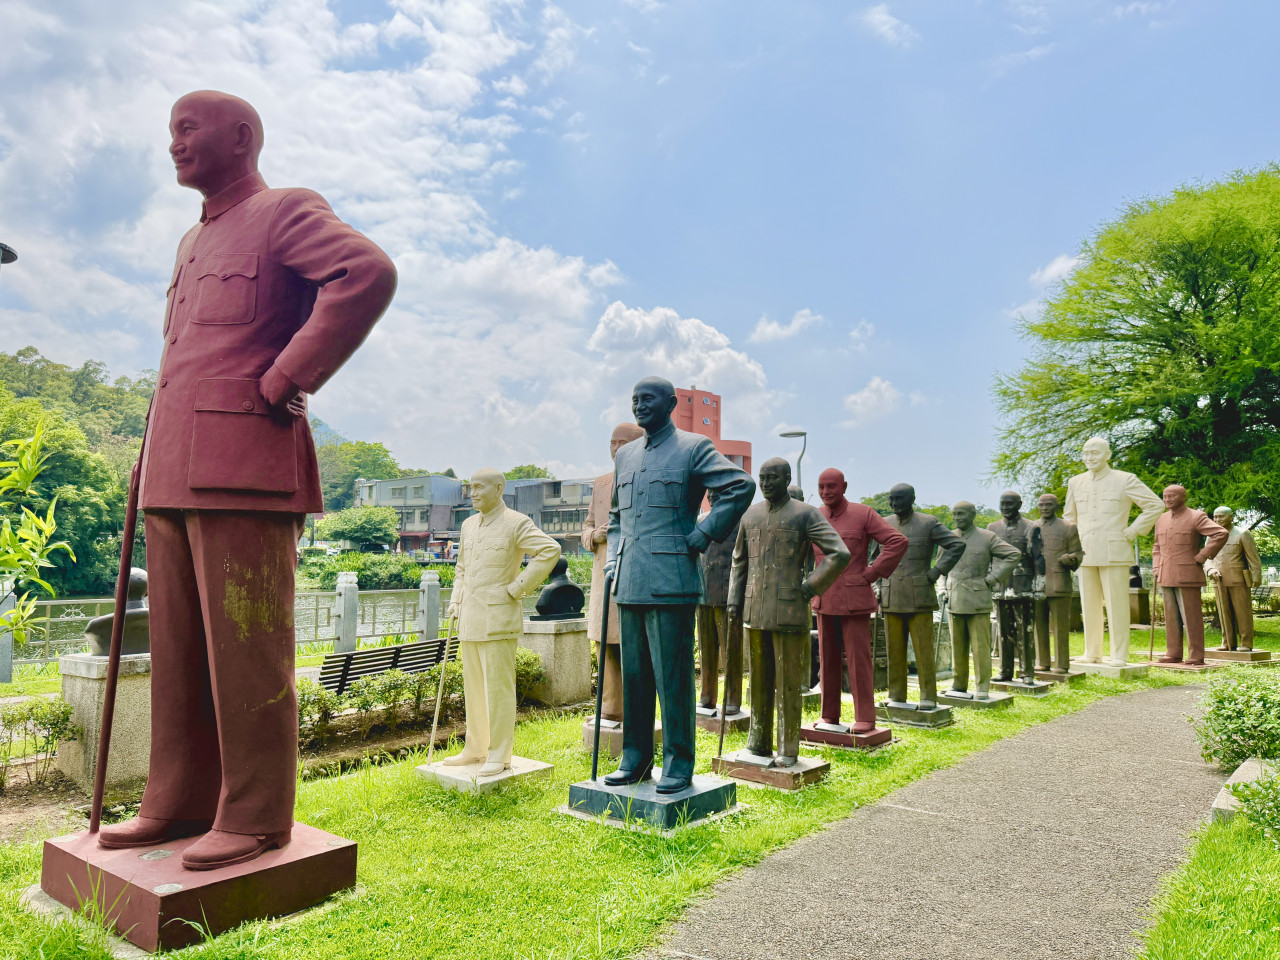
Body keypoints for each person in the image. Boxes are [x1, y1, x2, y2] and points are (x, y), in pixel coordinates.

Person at [99, 91, 396, 870]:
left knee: (246, 649)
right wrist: (148, 458)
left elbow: (365, 273)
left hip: (244, 468)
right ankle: (177, 800)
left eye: (187, 130)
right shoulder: (189, 244)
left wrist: (287, 374)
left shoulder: (283, 212)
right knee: (177, 653)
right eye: (170, 132)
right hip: (170, 473)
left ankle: (258, 816)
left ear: (241, 138)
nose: (173, 145)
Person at [604, 377, 754, 794]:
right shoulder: (627, 456)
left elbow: (740, 486)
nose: (639, 406)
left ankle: (678, 763)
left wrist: (704, 533)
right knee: (636, 677)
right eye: (634, 400)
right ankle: (634, 759)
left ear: (671, 404)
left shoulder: (693, 447)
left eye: (647, 399)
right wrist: (613, 559)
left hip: (672, 579)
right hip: (630, 580)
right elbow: (617, 519)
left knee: (673, 678)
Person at [727, 458, 849, 764]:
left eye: (772, 478)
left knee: (788, 683)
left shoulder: (805, 514)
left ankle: (788, 748)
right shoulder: (750, 515)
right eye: (762, 478)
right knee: (758, 681)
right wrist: (734, 600)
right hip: (755, 610)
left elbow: (839, 553)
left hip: (789, 609)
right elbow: (739, 561)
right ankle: (757, 743)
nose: (766, 483)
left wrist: (810, 586)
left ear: (786, 479)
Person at [446, 469, 560, 774]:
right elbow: (461, 568)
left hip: (498, 617)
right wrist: (455, 600)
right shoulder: (468, 525)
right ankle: (475, 747)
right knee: (473, 687)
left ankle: (499, 753)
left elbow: (550, 550)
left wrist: (517, 587)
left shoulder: (516, 523)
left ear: (499, 489)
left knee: (498, 689)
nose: (473, 493)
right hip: (469, 618)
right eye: (470, 488)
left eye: (479, 487)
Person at [810, 467, 906, 733]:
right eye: (821, 487)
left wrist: (872, 573)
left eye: (831, 486)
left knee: (858, 660)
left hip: (854, 598)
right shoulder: (814, 516)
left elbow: (897, 541)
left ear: (844, 487)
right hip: (824, 597)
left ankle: (865, 716)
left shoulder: (863, 513)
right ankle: (828, 715)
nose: (826, 492)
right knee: (826, 659)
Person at [1062, 438, 1163, 665]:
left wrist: (1132, 530)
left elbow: (1155, 505)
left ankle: (1119, 654)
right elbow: (1069, 518)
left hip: (1114, 550)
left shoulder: (1124, 480)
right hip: (1084, 551)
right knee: (1089, 606)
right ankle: (1092, 652)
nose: (1089, 457)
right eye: (1086, 453)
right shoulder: (1075, 482)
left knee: (1117, 604)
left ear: (1107, 454)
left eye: (1095, 453)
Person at [875, 483, 965, 710]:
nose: (894, 503)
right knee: (894, 650)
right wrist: (876, 586)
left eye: (900, 499)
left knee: (923, 650)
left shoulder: (928, 523)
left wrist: (936, 571)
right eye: (891, 499)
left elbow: (956, 544)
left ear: (912, 499)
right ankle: (896, 695)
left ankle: (928, 696)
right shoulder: (884, 524)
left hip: (919, 594)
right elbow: (874, 559)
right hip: (891, 593)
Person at [581, 423, 645, 721]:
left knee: (631, 641)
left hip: (634, 574)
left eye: (623, 442)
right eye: (612, 442)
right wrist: (595, 536)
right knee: (602, 638)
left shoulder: (646, 478)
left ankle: (635, 708)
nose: (616, 448)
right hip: (601, 574)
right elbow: (587, 525)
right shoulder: (601, 483)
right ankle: (610, 706)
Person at [945, 502, 1020, 699]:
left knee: (980, 648)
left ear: (973, 514)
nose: (957, 518)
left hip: (978, 598)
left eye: (961, 514)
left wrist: (993, 578)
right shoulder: (948, 537)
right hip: (954, 598)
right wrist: (943, 587)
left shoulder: (987, 537)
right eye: (954, 514)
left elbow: (1013, 554)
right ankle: (958, 685)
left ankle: (982, 688)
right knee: (957, 646)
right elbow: (942, 565)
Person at [1151, 484, 1227, 665]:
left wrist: (1202, 556)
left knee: (1191, 617)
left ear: (1183, 497)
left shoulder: (1196, 516)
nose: (1167, 499)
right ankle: (1173, 652)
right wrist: (1156, 567)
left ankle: (1196, 654)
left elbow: (1220, 533)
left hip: (1187, 572)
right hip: (1165, 572)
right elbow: (1156, 547)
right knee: (1171, 617)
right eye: (1165, 496)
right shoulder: (1161, 519)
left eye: (1172, 496)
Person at [988, 491, 1038, 684]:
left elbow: (1038, 559)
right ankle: (1005, 670)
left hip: (1023, 586)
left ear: (1019, 504)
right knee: (1003, 631)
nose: (1006, 507)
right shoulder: (992, 528)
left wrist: (1038, 586)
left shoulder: (1032, 527)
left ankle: (1027, 672)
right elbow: (990, 558)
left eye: (1010, 504)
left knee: (1025, 631)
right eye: (1003, 504)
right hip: (1000, 587)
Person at [1029, 494, 1083, 673]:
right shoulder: (1031, 527)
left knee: (1060, 627)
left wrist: (1071, 559)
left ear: (1056, 507)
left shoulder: (1068, 527)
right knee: (1039, 625)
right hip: (1036, 584)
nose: (1044, 508)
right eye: (1041, 505)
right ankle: (1042, 660)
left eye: (1049, 505)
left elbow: (1078, 553)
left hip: (1059, 583)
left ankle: (1061, 663)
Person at [1204, 507, 1264, 651]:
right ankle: (1227, 642)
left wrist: (1256, 576)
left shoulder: (1242, 534)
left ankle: (1246, 642)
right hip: (1218, 580)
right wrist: (1210, 569)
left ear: (1231, 516)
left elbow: (1253, 558)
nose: (1217, 520)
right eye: (1215, 517)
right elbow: (1207, 557)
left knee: (1243, 612)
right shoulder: (1211, 536)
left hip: (1238, 579)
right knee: (1224, 612)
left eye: (1221, 517)